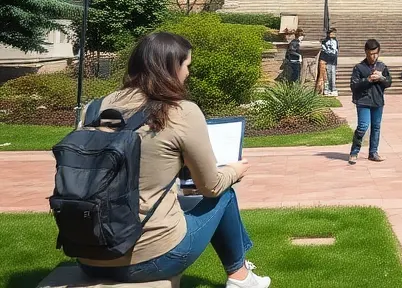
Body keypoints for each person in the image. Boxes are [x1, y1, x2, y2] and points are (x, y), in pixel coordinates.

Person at [76, 32, 267, 288]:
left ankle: (241, 276)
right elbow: (210, 186)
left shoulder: (95, 109)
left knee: (181, 200)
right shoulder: (180, 111)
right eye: (187, 65)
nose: (188, 73)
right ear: (171, 67)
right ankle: (240, 277)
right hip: (153, 259)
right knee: (224, 194)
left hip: (88, 254)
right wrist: (233, 170)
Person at [349, 39, 391, 165]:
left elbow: (389, 82)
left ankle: (373, 152)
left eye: (375, 53)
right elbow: (353, 85)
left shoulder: (382, 66)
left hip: (377, 100)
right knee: (363, 126)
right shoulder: (359, 68)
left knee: (376, 127)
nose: (373, 57)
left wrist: (381, 78)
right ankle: (354, 152)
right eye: (370, 54)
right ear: (366, 53)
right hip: (363, 100)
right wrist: (367, 80)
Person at [319, 28, 339, 96]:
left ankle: (333, 89)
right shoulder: (325, 41)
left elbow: (335, 50)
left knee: (332, 75)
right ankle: (327, 89)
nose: (332, 34)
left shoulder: (335, 41)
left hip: (332, 60)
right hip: (326, 59)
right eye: (331, 33)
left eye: (333, 33)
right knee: (326, 75)